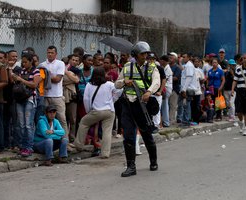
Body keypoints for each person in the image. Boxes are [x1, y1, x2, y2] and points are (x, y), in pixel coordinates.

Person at [115, 41, 160, 177]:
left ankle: (153, 161)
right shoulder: (127, 67)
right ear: (135, 54)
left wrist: (149, 92)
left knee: (146, 134)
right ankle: (131, 166)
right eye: (142, 53)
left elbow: (156, 82)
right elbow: (116, 84)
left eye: (146, 53)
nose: (145, 56)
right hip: (127, 104)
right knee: (128, 136)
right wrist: (124, 82)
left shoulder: (152, 68)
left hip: (142, 105)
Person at [74, 67, 116, 158]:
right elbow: (118, 92)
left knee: (84, 122)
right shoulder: (109, 84)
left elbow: (86, 99)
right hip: (109, 111)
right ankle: (105, 153)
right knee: (107, 132)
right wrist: (113, 101)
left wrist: (88, 110)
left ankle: (79, 145)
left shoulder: (89, 85)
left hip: (96, 111)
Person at [11, 53, 42, 157]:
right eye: (22, 62)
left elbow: (34, 85)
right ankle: (22, 146)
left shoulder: (36, 71)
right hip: (20, 99)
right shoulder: (22, 71)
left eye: (25, 62)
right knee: (21, 124)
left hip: (30, 99)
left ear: (30, 61)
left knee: (28, 125)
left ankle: (29, 147)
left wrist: (21, 80)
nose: (23, 64)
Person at [40, 46, 68, 140]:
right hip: (45, 95)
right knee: (45, 119)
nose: (50, 54)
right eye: (48, 52)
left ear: (56, 54)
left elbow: (57, 79)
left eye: (52, 53)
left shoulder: (60, 63)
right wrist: (49, 76)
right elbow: (39, 79)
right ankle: (47, 138)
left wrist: (45, 76)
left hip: (57, 96)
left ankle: (65, 140)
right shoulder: (42, 65)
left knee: (61, 119)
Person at [179, 53, 198, 127]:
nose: (183, 58)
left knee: (186, 105)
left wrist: (184, 89)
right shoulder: (187, 65)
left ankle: (186, 121)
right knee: (185, 105)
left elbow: (188, 78)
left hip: (188, 88)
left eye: (184, 57)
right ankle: (185, 121)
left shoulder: (189, 66)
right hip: (186, 88)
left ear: (189, 58)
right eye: (182, 57)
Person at [168, 52, 182, 124]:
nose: (170, 58)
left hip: (174, 89)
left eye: (171, 57)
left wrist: (167, 78)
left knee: (172, 105)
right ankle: (166, 120)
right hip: (167, 88)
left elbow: (176, 78)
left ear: (175, 59)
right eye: (169, 57)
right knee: (167, 105)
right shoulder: (167, 66)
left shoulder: (177, 68)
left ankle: (172, 120)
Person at [159, 55, 173, 127]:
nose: (160, 61)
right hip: (166, 88)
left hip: (166, 88)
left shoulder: (168, 69)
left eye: (161, 60)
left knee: (165, 106)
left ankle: (166, 122)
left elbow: (164, 79)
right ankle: (165, 121)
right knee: (164, 105)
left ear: (163, 61)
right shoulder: (165, 68)